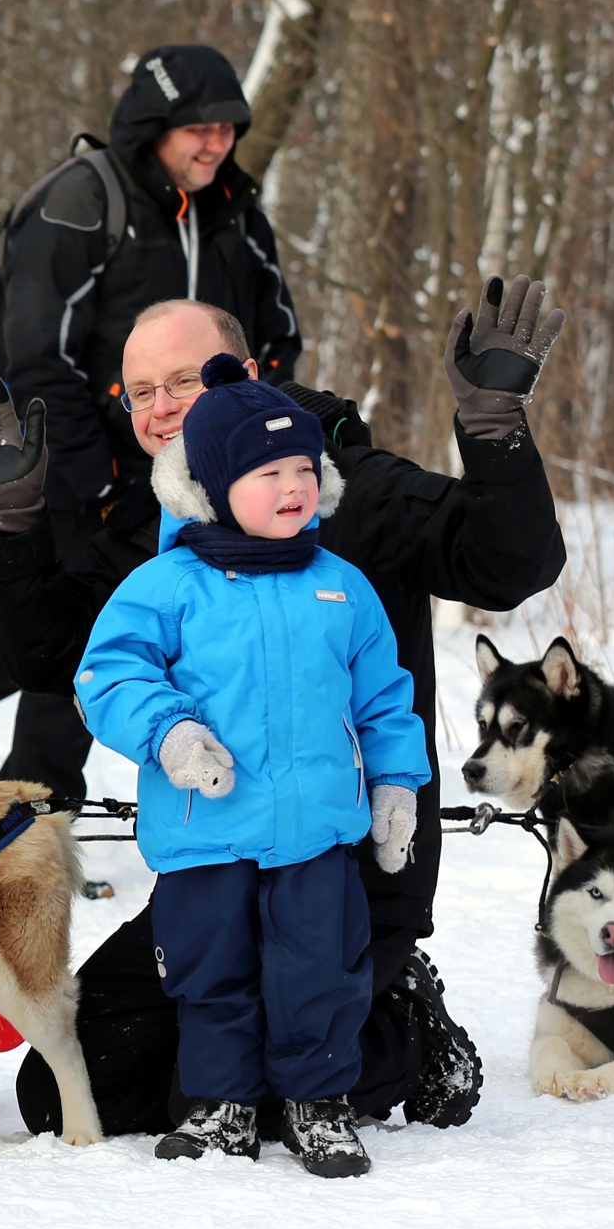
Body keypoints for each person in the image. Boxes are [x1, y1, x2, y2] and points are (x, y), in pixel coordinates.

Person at [0, 280, 566, 1135]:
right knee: (74, 1092)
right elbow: (54, 660)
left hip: (349, 871)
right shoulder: (162, 519)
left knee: (279, 1090)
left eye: (185, 381)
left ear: (246, 371)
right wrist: (11, 522)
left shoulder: (348, 491)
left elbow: (506, 564)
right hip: (217, 866)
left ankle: (407, 1026)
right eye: (141, 392)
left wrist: (494, 429)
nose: (161, 410)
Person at [76, 357, 430, 1177]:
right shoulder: (166, 585)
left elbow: (384, 699)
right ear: (211, 485)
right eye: (269, 471)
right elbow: (109, 675)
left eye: (306, 469)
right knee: (212, 973)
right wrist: (169, 735)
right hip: (207, 831)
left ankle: (318, 1103)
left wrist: (395, 786)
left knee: (321, 972)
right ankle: (221, 1106)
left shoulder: (343, 589)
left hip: (315, 836)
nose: (294, 486)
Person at [0, 44, 302, 811]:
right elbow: (32, 354)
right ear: (151, 125)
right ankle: (34, 817)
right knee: (75, 658)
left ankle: (236, 806)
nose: (217, 143)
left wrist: (261, 453)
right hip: (92, 481)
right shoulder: (81, 203)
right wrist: (103, 478)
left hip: (220, 485)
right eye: (199, 127)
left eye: (230, 128)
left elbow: (278, 339)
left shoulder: (236, 214)